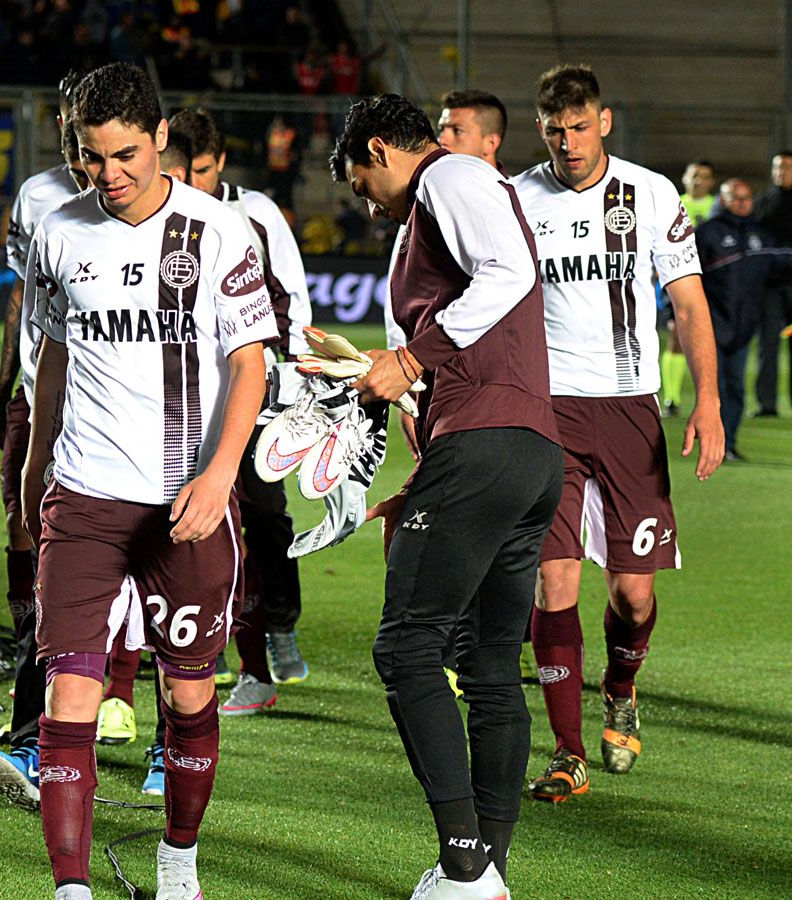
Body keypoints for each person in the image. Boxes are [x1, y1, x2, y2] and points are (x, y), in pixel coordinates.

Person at [21, 62, 276, 900]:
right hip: (84, 495)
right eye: (92, 157)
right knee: (70, 696)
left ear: (162, 137)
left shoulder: (220, 231)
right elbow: (53, 357)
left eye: (126, 154)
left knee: (189, 692)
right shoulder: (58, 232)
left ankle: (178, 861)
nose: (109, 174)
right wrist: (33, 464)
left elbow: (249, 364)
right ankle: (71, 889)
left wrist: (220, 476)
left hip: (184, 502)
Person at [332, 92, 561, 899]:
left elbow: (511, 271)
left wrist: (409, 359)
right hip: (526, 452)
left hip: (486, 443)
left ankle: (463, 862)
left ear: (379, 150)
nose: (367, 203)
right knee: (489, 663)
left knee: (406, 648)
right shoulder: (440, 201)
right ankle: (485, 870)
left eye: (361, 183)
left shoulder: (449, 176)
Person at [511, 65, 724, 806]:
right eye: (554, 129)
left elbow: (689, 305)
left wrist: (708, 402)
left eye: (579, 126)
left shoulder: (651, 193)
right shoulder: (518, 199)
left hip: (631, 409)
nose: (568, 142)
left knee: (633, 595)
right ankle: (567, 750)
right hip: (548, 412)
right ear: (541, 129)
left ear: (604, 122)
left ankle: (622, 685)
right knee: (555, 578)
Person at [170, 108, 315, 725]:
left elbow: (294, 296)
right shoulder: (164, 217)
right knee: (199, 523)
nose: (194, 182)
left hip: (258, 388)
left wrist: (296, 377)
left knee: (265, 519)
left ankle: (275, 630)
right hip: (188, 398)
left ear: (220, 164)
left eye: (203, 170)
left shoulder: (252, 215)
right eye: (185, 172)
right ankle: (218, 648)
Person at [0, 70, 89, 810]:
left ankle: (119, 707)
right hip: (37, 389)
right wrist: (3, 384)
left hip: (112, 413)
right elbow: (23, 298)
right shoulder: (38, 199)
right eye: (69, 123)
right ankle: (37, 702)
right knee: (28, 526)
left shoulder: (156, 207)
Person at [386, 89, 508, 455]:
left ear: (491, 142)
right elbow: (403, 302)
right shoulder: (422, 205)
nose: (444, 138)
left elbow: (515, 280)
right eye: (442, 128)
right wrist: (405, 377)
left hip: (508, 387)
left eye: (457, 130)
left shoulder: (520, 201)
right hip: (440, 384)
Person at [697, 179, 787, 459]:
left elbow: (780, 261)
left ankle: (727, 444)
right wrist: (673, 313)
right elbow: (685, 277)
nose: (744, 203)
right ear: (723, 199)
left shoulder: (759, 233)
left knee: (735, 387)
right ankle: (711, 444)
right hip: (711, 323)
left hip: (743, 326)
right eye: (737, 197)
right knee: (714, 388)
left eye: (747, 197)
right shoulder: (708, 233)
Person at [660, 160, 719, 415]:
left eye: (704, 176)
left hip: (711, 281)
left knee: (709, 337)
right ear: (685, 178)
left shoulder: (718, 207)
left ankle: (711, 397)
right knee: (676, 335)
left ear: (711, 181)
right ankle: (671, 398)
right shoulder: (672, 203)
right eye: (694, 175)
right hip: (677, 277)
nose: (698, 181)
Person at [753, 150, 792, 416]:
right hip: (770, 286)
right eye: (778, 167)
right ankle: (767, 404)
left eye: (787, 167)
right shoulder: (763, 202)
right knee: (768, 344)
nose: (781, 172)